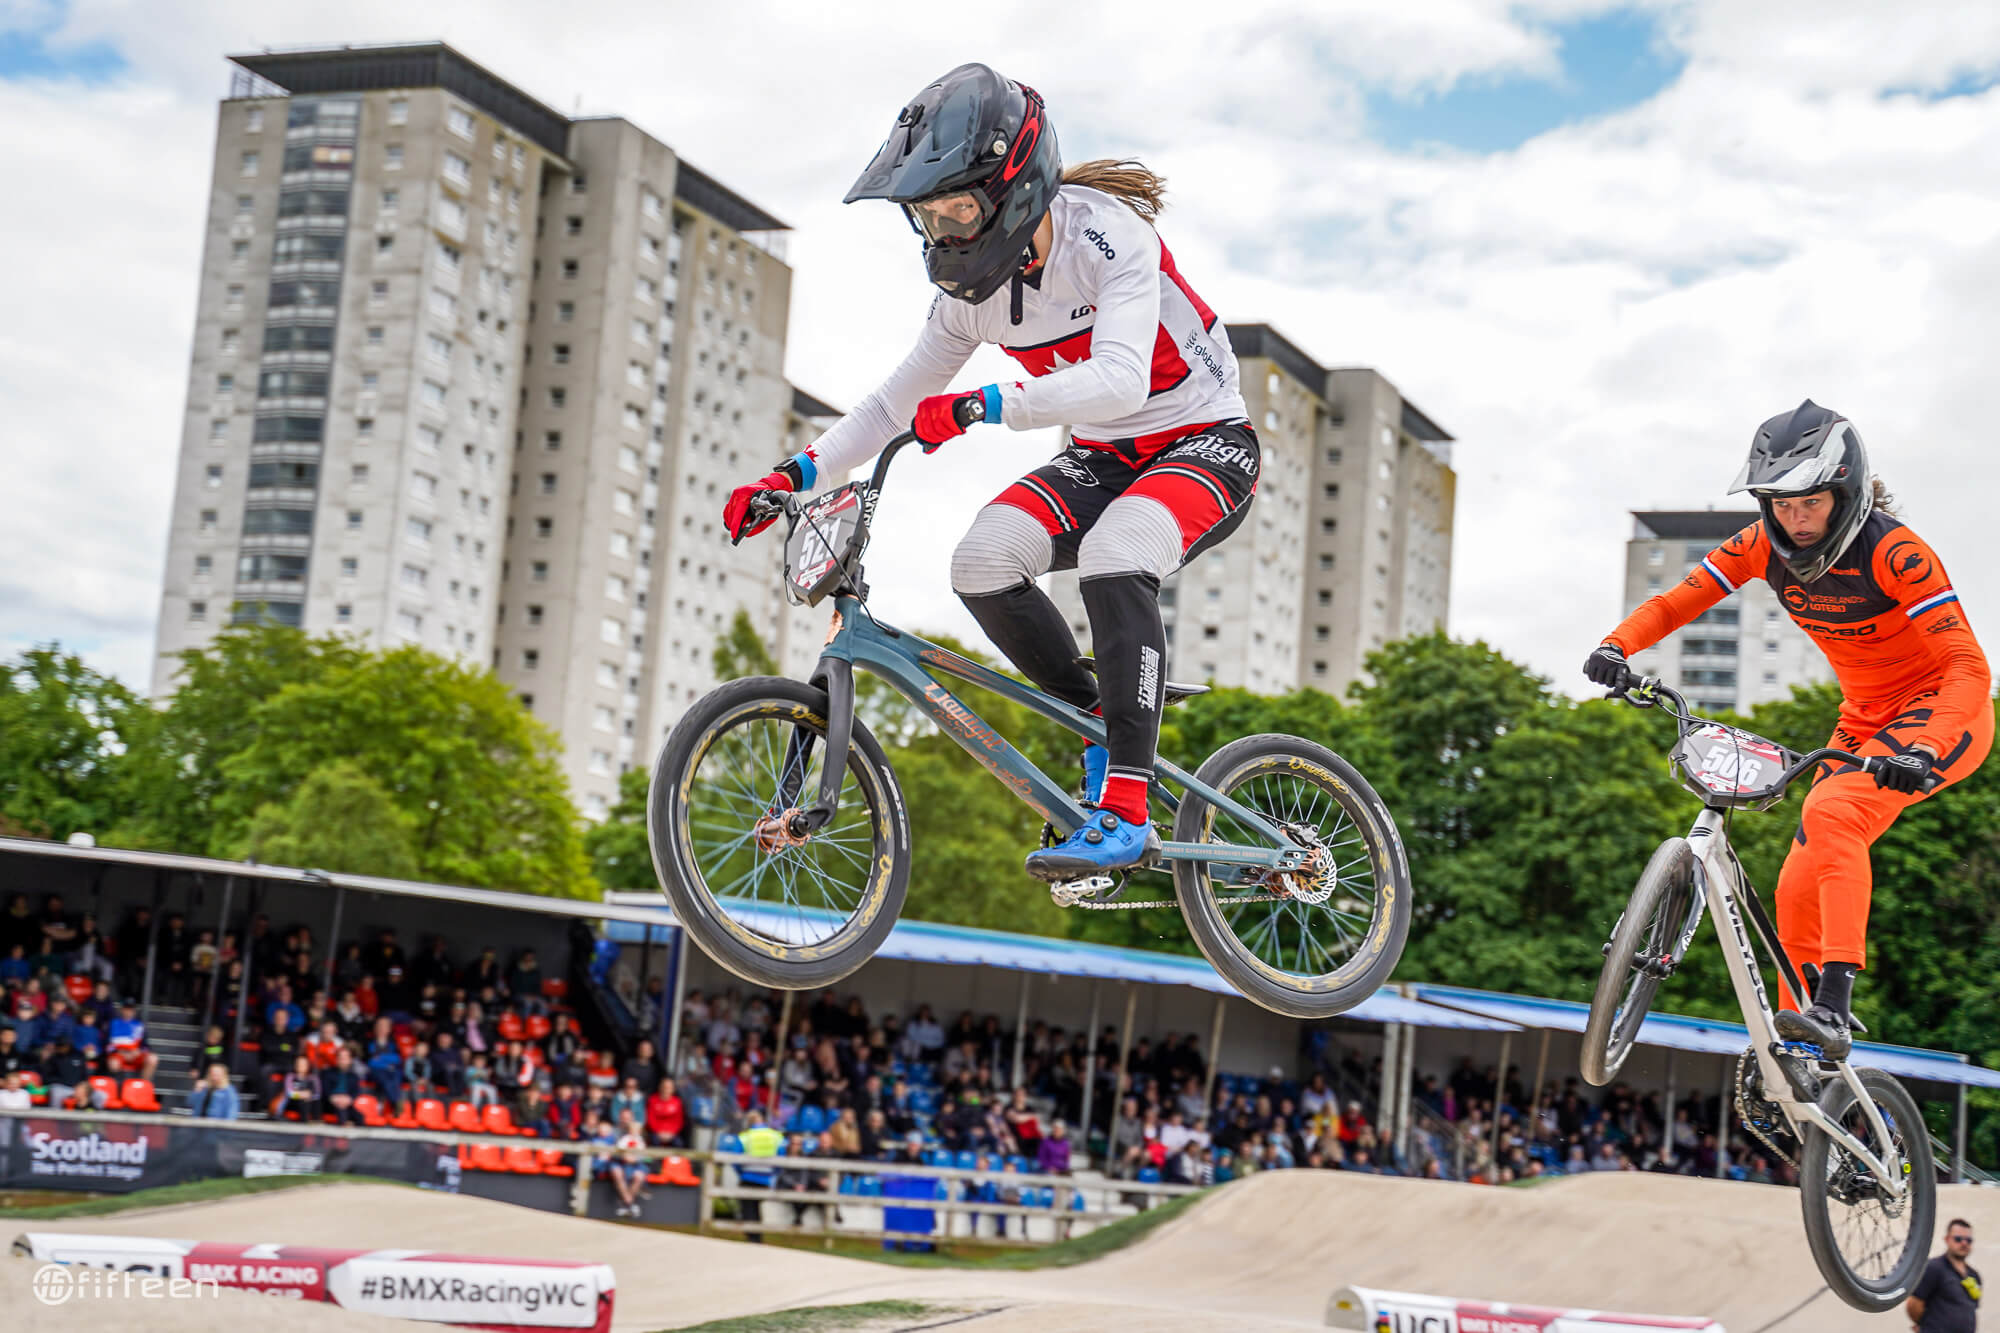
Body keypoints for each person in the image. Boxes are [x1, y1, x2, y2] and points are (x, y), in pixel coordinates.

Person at [723, 63, 1253, 880]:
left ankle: (1128, 807)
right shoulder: (968, 299)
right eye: (929, 217)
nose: (946, 233)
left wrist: (984, 405)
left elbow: (1121, 379)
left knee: (1118, 554)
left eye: (959, 209)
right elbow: (892, 403)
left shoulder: (1107, 238)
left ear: (1015, 185)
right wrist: (790, 475)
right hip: (1102, 456)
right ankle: (1095, 722)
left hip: (1203, 440)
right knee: (980, 561)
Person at [1586, 403, 1989, 1058]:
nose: (1794, 521)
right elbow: (1676, 600)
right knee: (1797, 879)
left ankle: (1834, 1006)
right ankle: (1794, 1049)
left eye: (1811, 504)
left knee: (1833, 813)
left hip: (1942, 716)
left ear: (1847, 493)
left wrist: (1924, 746)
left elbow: (1967, 665)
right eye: (1778, 504)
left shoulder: (1895, 553)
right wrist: (1617, 646)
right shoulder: (1758, 545)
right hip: (1861, 722)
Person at [1909, 1219, 1981, 1332]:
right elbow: (1913, 1304)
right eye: (1958, 1239)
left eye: (1969, 1240)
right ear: (1947, 1239)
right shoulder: (1933, 1268)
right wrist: (1926, 1326)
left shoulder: (1974, 1275)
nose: (1964, 1243)